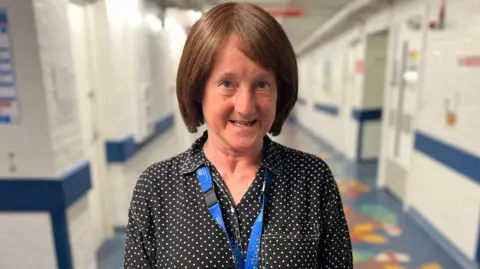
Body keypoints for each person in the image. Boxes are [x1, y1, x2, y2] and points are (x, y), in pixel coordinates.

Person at [124, 2, 352, 269]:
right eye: (227, 84)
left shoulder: (312, 180)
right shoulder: (156, 189)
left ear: (280, 91)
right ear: (199, 89)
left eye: (262, 84)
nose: (245, 106)